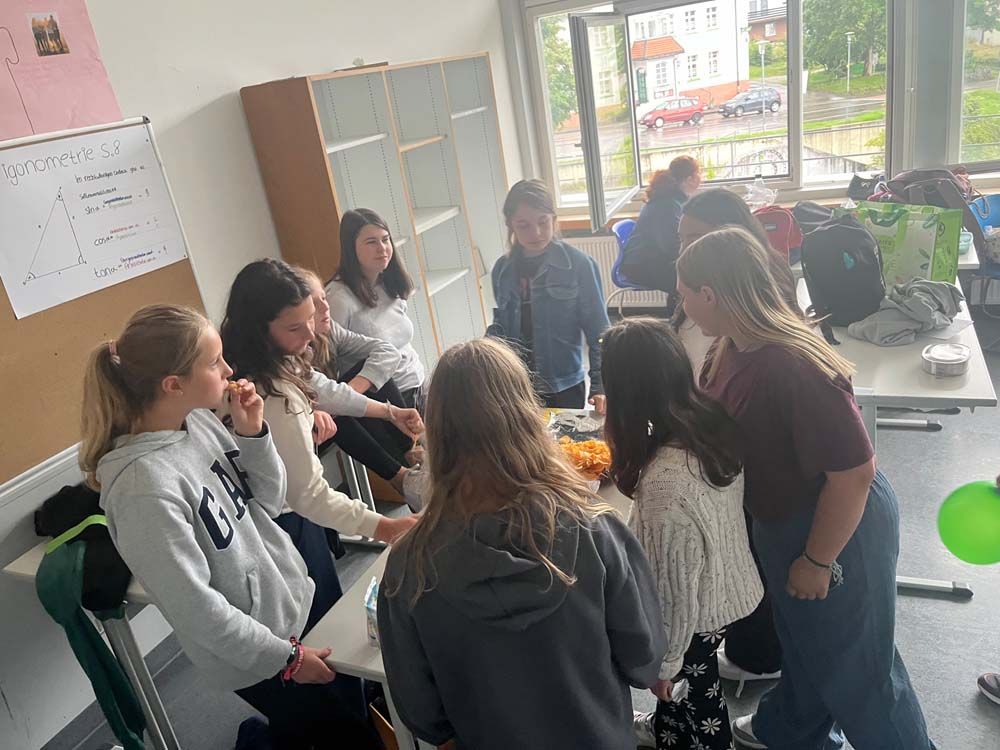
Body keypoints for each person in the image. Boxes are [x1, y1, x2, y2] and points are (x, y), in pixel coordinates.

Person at [676, 227, 935, 750]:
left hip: (834, 523)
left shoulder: (792, 365)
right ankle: (791, 732)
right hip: (782, 516)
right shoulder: (729, 346)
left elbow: (854, 474)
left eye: (685, 295)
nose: (681, 306)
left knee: (862, 673)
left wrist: (817, 561)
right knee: (804, 644)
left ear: (710, 294)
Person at [79, 304, 378, 748]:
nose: (229, 370)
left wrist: (253, 434)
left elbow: (269, 501)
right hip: (259, 653)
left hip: (289, 606)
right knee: (344, 734)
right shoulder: (142, 490)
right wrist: (288, 659)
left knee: (335, 718)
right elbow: (197, 610)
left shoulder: (197, 421)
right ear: (174, 385)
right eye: (214, 362)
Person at [377, 337, 667, 750]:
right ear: (528, 416)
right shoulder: (596, 530)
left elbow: (422, 713)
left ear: (435, 432)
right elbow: (643, 658)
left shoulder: (408, 566)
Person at [602, 317, 764, 750]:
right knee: (684, 701)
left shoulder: (665, 487)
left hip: (694, 620)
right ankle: (667, 734)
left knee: (700, 699)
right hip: (726, 588)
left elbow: (676, 594)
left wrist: (664, 666)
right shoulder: (708, 424)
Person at [674, 187, 800, 688]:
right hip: (714, 436)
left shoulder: (772, 350)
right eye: (682, 238)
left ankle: (760, 655)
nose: (686, 249)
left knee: (752, 552)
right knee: (736, 548)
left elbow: (854, 472)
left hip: (746, 459)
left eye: (697, 237)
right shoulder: (711, 307)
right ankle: (751, 645)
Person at [299, 267, 424, 493]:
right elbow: (326, 398)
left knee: (362, 378)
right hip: (307, 431)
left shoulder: (329, 330)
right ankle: (401, 478)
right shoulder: (290, 354)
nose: (326, 307)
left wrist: (349, 392)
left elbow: (387, 352)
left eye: (324, 298)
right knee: (336, 407)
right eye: (315, 304)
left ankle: (410, 454)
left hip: (330, 415)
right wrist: (347, 398)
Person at [490, 179, 611, 410]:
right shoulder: (502, 270)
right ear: (510, 224)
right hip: (516, 384)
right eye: (523, 225)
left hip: (564, 384)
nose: (536, 233)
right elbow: (501, 328)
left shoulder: (579, 264)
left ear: (554, 219)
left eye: (543, 222)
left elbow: (600, 332)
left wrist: (600, 386)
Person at [326, 208, 426, 411]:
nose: (382, 248)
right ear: (351, 249)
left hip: (419, 384)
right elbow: (328, 361)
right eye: (371, 242)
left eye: (385, 239)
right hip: (386, 401)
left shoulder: (388, 281)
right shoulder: (338, 298)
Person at [619, 155, 701, 299]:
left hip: (652, 258)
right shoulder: (667, 204)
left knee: (694, 271)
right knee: (693, 278)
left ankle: (680, 310)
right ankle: (679, 312)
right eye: (698, 173)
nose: (701, 177)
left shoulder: (672, 199)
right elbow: (671, 246)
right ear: (689, 179)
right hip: (641, 265)